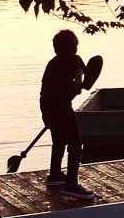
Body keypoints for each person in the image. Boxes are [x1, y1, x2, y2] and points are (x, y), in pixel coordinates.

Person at [40, 29, 96, 201]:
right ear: (74, 47)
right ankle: (71, 184)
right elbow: (79, 84)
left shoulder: (53, 63)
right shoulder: (75, 60)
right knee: (75, 143)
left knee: (58, 140)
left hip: (46, 105)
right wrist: (80, 86)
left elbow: (51, 88)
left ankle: (55, 175)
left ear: (56, 48)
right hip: (61, 106)